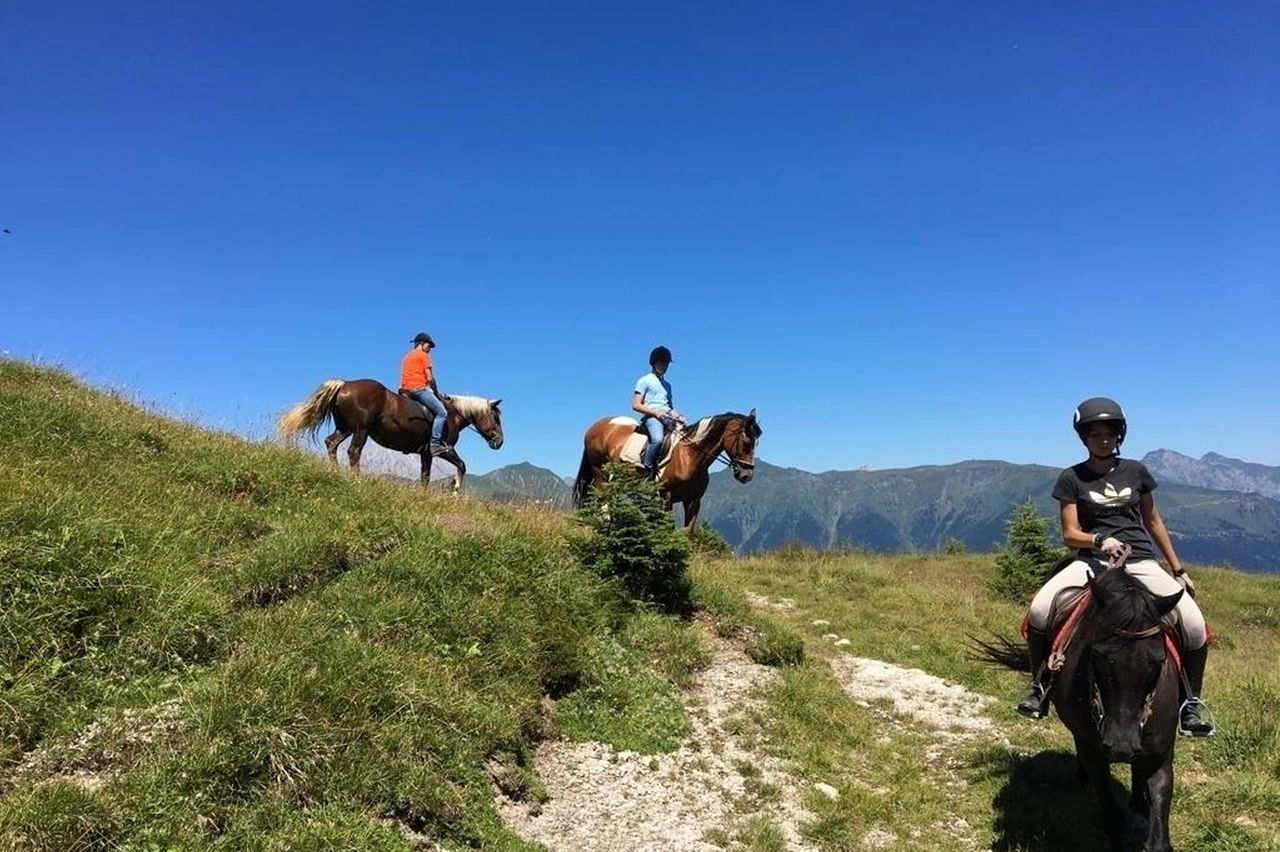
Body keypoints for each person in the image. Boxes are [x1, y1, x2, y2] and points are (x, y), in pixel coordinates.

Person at [1017, 397, 1213, 736]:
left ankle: (1190, 703)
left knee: (1194, 624)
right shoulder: (1071, 478)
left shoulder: (1136, 472)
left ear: (1119, 435)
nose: (1103, 439)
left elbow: (1153, 521)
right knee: (1039, 608)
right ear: (1084, 438)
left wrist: (1178, 569)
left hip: (1140, 561)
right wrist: (1097, 541)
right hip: (1093, 561)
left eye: (1109, 433)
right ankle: (1040, 687)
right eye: (1095, 434)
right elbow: (1069, 533)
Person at [632, 345, 686, 478]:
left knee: (685, 439)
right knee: (657, 439)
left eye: (667, 364)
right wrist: (655, 413)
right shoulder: (644, 380)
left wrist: (679, 416)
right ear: (654, 363)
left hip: (668, 416)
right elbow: (636, 404)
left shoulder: (667, 385)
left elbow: (670, 407)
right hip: (652, 417)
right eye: (662, 363)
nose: (665, 366)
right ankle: (647, 470)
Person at [399, 332, 449, 454]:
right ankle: (435, 444)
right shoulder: (424, 355)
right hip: (418, 389)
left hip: (404, 390)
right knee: (442, 413)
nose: (429, 349)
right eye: (429, 345)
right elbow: (430, 378)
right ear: (421, 343)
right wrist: (437, 393)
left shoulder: (406, 357)